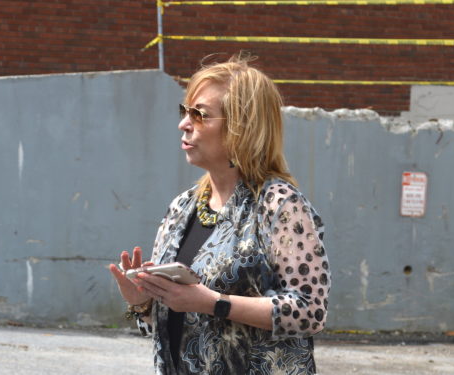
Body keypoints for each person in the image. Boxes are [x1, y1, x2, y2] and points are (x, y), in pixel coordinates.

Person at [109, 54, 330, 375]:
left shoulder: (280, 205)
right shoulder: (182, 208)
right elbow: (164, 325)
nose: (184, 123)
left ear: (242, 129)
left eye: (200, 114)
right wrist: (141, 303)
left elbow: (310, 312)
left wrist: (213, 302)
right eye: (185, 111)